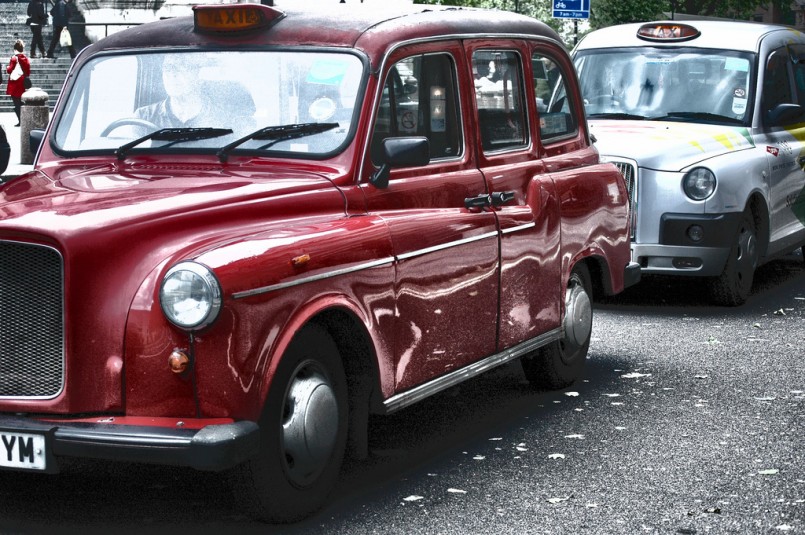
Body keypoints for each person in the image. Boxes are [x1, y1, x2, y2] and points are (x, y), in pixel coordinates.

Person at [6, 40, 31, 127]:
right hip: (22, 81)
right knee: (20, 100)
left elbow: (9, 70)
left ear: (15, 49)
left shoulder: (14, 58)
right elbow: (28, 71)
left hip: (15, 82)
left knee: (16, 102)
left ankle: (21, 120)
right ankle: (24, 119)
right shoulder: (25, 58)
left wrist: (7, 67)